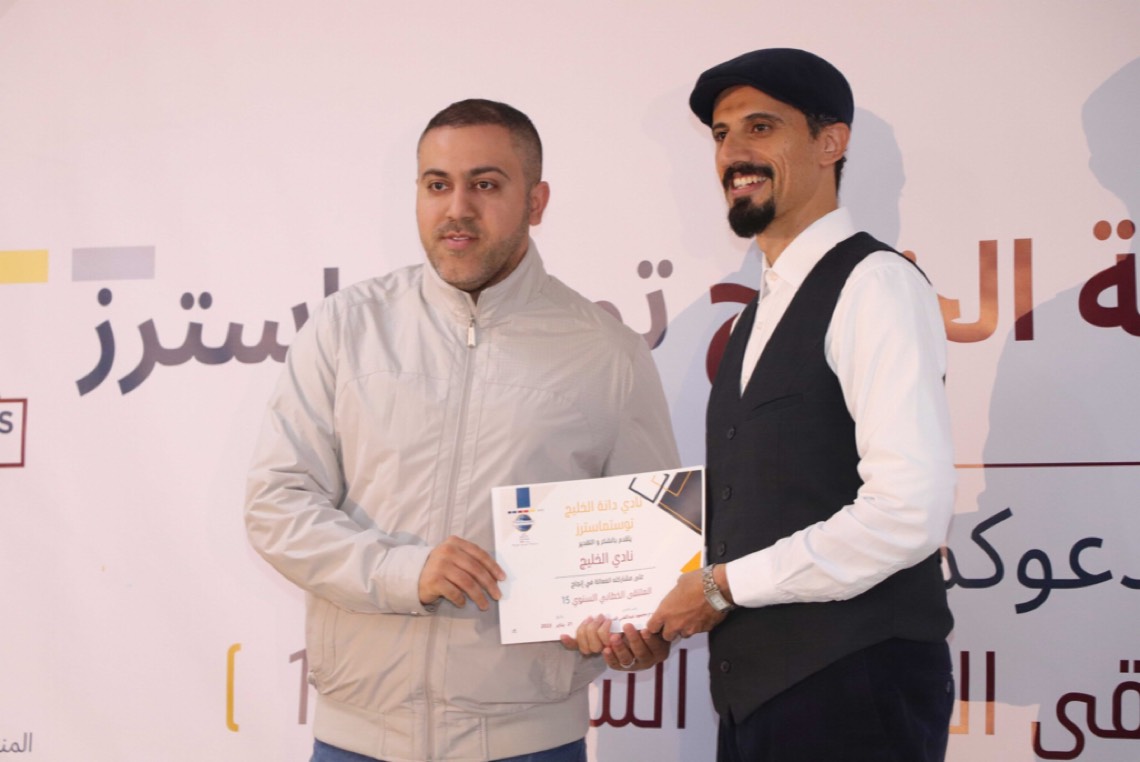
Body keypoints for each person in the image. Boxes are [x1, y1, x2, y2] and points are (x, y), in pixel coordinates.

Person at [244, 98, 680, 762]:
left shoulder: (609, 354)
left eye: (485, 184)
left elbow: (645, 564)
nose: (457, 208)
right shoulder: (346, 327)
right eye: (436, 185)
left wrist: (633, 630)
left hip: (531, 743)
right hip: (355, 739)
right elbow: (275, 506)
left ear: (536, 201)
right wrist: (403, 570)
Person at [644, 48, 957, 761]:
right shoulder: (752, 318)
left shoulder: (874, 284)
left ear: (830, 142)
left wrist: (720, 589)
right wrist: (657, 610)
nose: (734, 153)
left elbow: (908, 512)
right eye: (722, 134)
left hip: (853, 690)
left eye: (761, 127)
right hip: (760, 697)